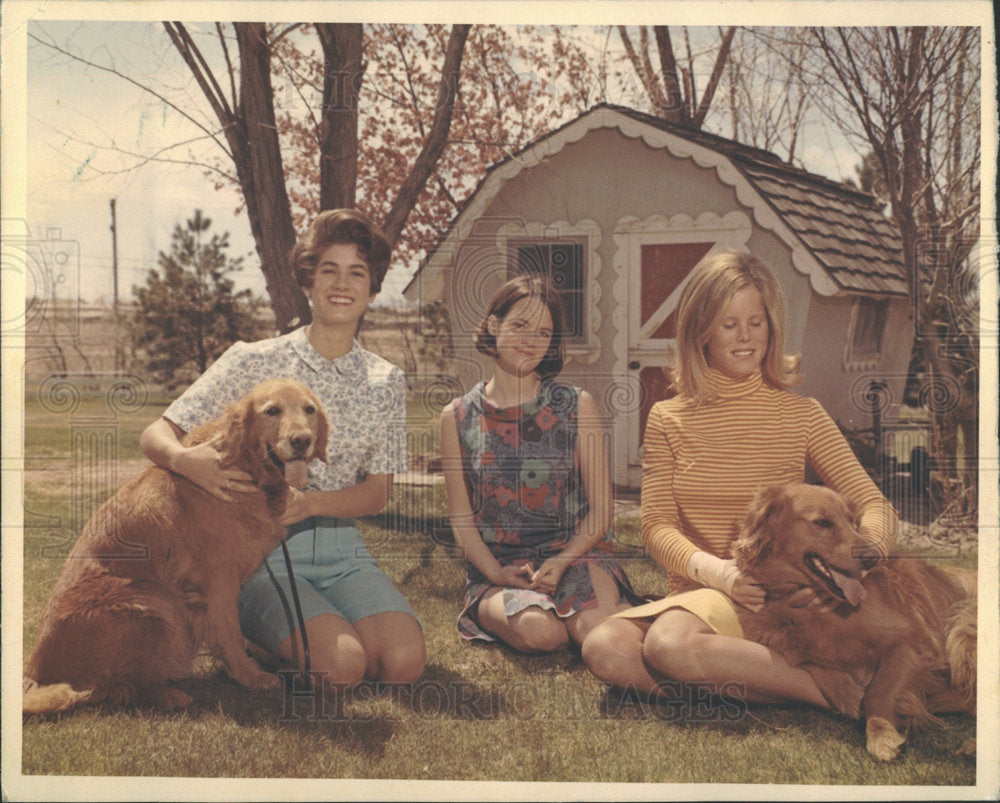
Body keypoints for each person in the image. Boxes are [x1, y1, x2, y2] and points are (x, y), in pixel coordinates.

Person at [581, 249, 897, 707]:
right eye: (729, 325)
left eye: (758, 322)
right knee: (605, 649)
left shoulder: (802, 413)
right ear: (701, 331)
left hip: (780, 597)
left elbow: (875, 506)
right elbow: (655, 528)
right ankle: (805, 685)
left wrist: (859, 562)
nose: (746, 337)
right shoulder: (668, 418)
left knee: (667, 646)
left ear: (773, 326)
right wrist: (721, 574)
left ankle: (826, 693)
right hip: (708, 588)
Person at [140, 208, 425, 691]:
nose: (342, 283)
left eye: (358, 273)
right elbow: (155, 435)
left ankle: (312, 629)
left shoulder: (385, 380)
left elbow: (377, 494)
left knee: (402, 664)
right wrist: (186, 461)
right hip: (258, 555)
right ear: (307, 281)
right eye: (328, 270)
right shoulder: (252, 359)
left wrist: (310, 504)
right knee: (343, 669)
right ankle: (257, 635)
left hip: (342, 552)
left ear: (373, 291)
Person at [439, 274, 641, 654]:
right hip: (500, 565)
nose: (531, 340)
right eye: (519, 325)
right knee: (540, 634)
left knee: (601, 635)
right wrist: (496, 573)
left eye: (544, 332)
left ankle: (598, 606)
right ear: (493, 325)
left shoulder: (576, 405)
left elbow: (601, 511)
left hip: (575, 552)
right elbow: (462, 521)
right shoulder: (456, 416)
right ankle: (509, 609)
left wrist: (563, 561)